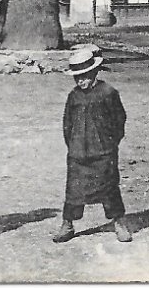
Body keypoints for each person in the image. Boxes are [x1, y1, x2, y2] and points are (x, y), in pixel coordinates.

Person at [53, 45, 131, 244]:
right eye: (77, 77)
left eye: (85, 76)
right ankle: (68, 224)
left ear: (94, 72)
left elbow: (118, 120)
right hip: (78, 154)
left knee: (109, 188)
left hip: (103, 153)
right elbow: (67, 123)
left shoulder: (108, 93)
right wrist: (73, 145)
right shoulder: (74, 96)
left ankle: (119, 223)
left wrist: (109, 144)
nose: (81, 81)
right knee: (73, 191)